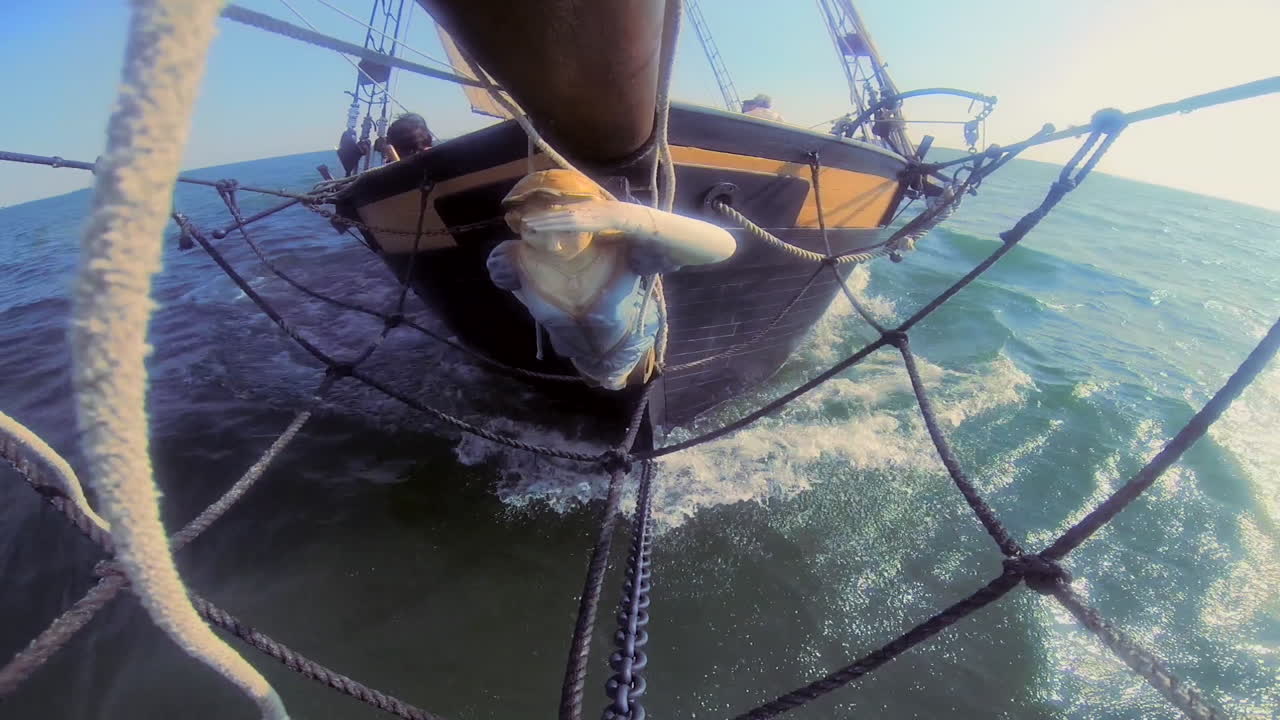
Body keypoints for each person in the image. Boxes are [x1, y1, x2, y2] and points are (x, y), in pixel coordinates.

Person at [486, 169, 737, 389]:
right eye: (534, 232)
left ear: (594, 221)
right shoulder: (511, 262)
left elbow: (723, 247)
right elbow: (524, 298)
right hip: (584, 364)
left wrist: (622, 216)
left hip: (636, 358)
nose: (554, 246)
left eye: (568, 229)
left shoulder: (626, 250)